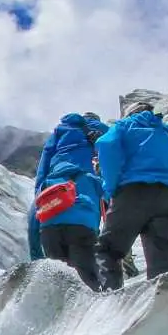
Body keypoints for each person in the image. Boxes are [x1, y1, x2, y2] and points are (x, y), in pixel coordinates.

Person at [95, 97, 168, 289]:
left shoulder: (122, 128)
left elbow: (105, 145)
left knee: (108, 251)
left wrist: (111, 188)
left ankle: (110, 300)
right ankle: (162, 304)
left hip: (131, 194)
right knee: (162, 261)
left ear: (129, 114)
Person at [31, 112, 107, 287]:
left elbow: (43, 165)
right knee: (88, 280)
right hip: (84, 221)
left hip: (50, 217)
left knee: (60, 283)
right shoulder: (102, 131)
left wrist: (40, 192)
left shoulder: (60, 132)